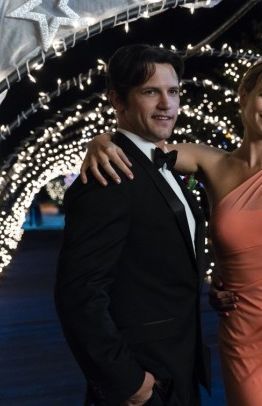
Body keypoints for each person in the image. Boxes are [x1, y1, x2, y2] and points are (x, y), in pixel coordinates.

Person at [80, 59, 262, 406]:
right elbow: (144, 150)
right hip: (244, 336)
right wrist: (102, 140)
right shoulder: (210, 162)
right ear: (244, 96)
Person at [55, 44, 212, 406]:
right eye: (150, 92)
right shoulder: (108, 176)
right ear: (117, 99)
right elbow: (78, 294)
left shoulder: (160, 161)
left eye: (173, 91)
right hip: (143, 380)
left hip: (178, 369)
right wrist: (128, 382)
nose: (166, 104)